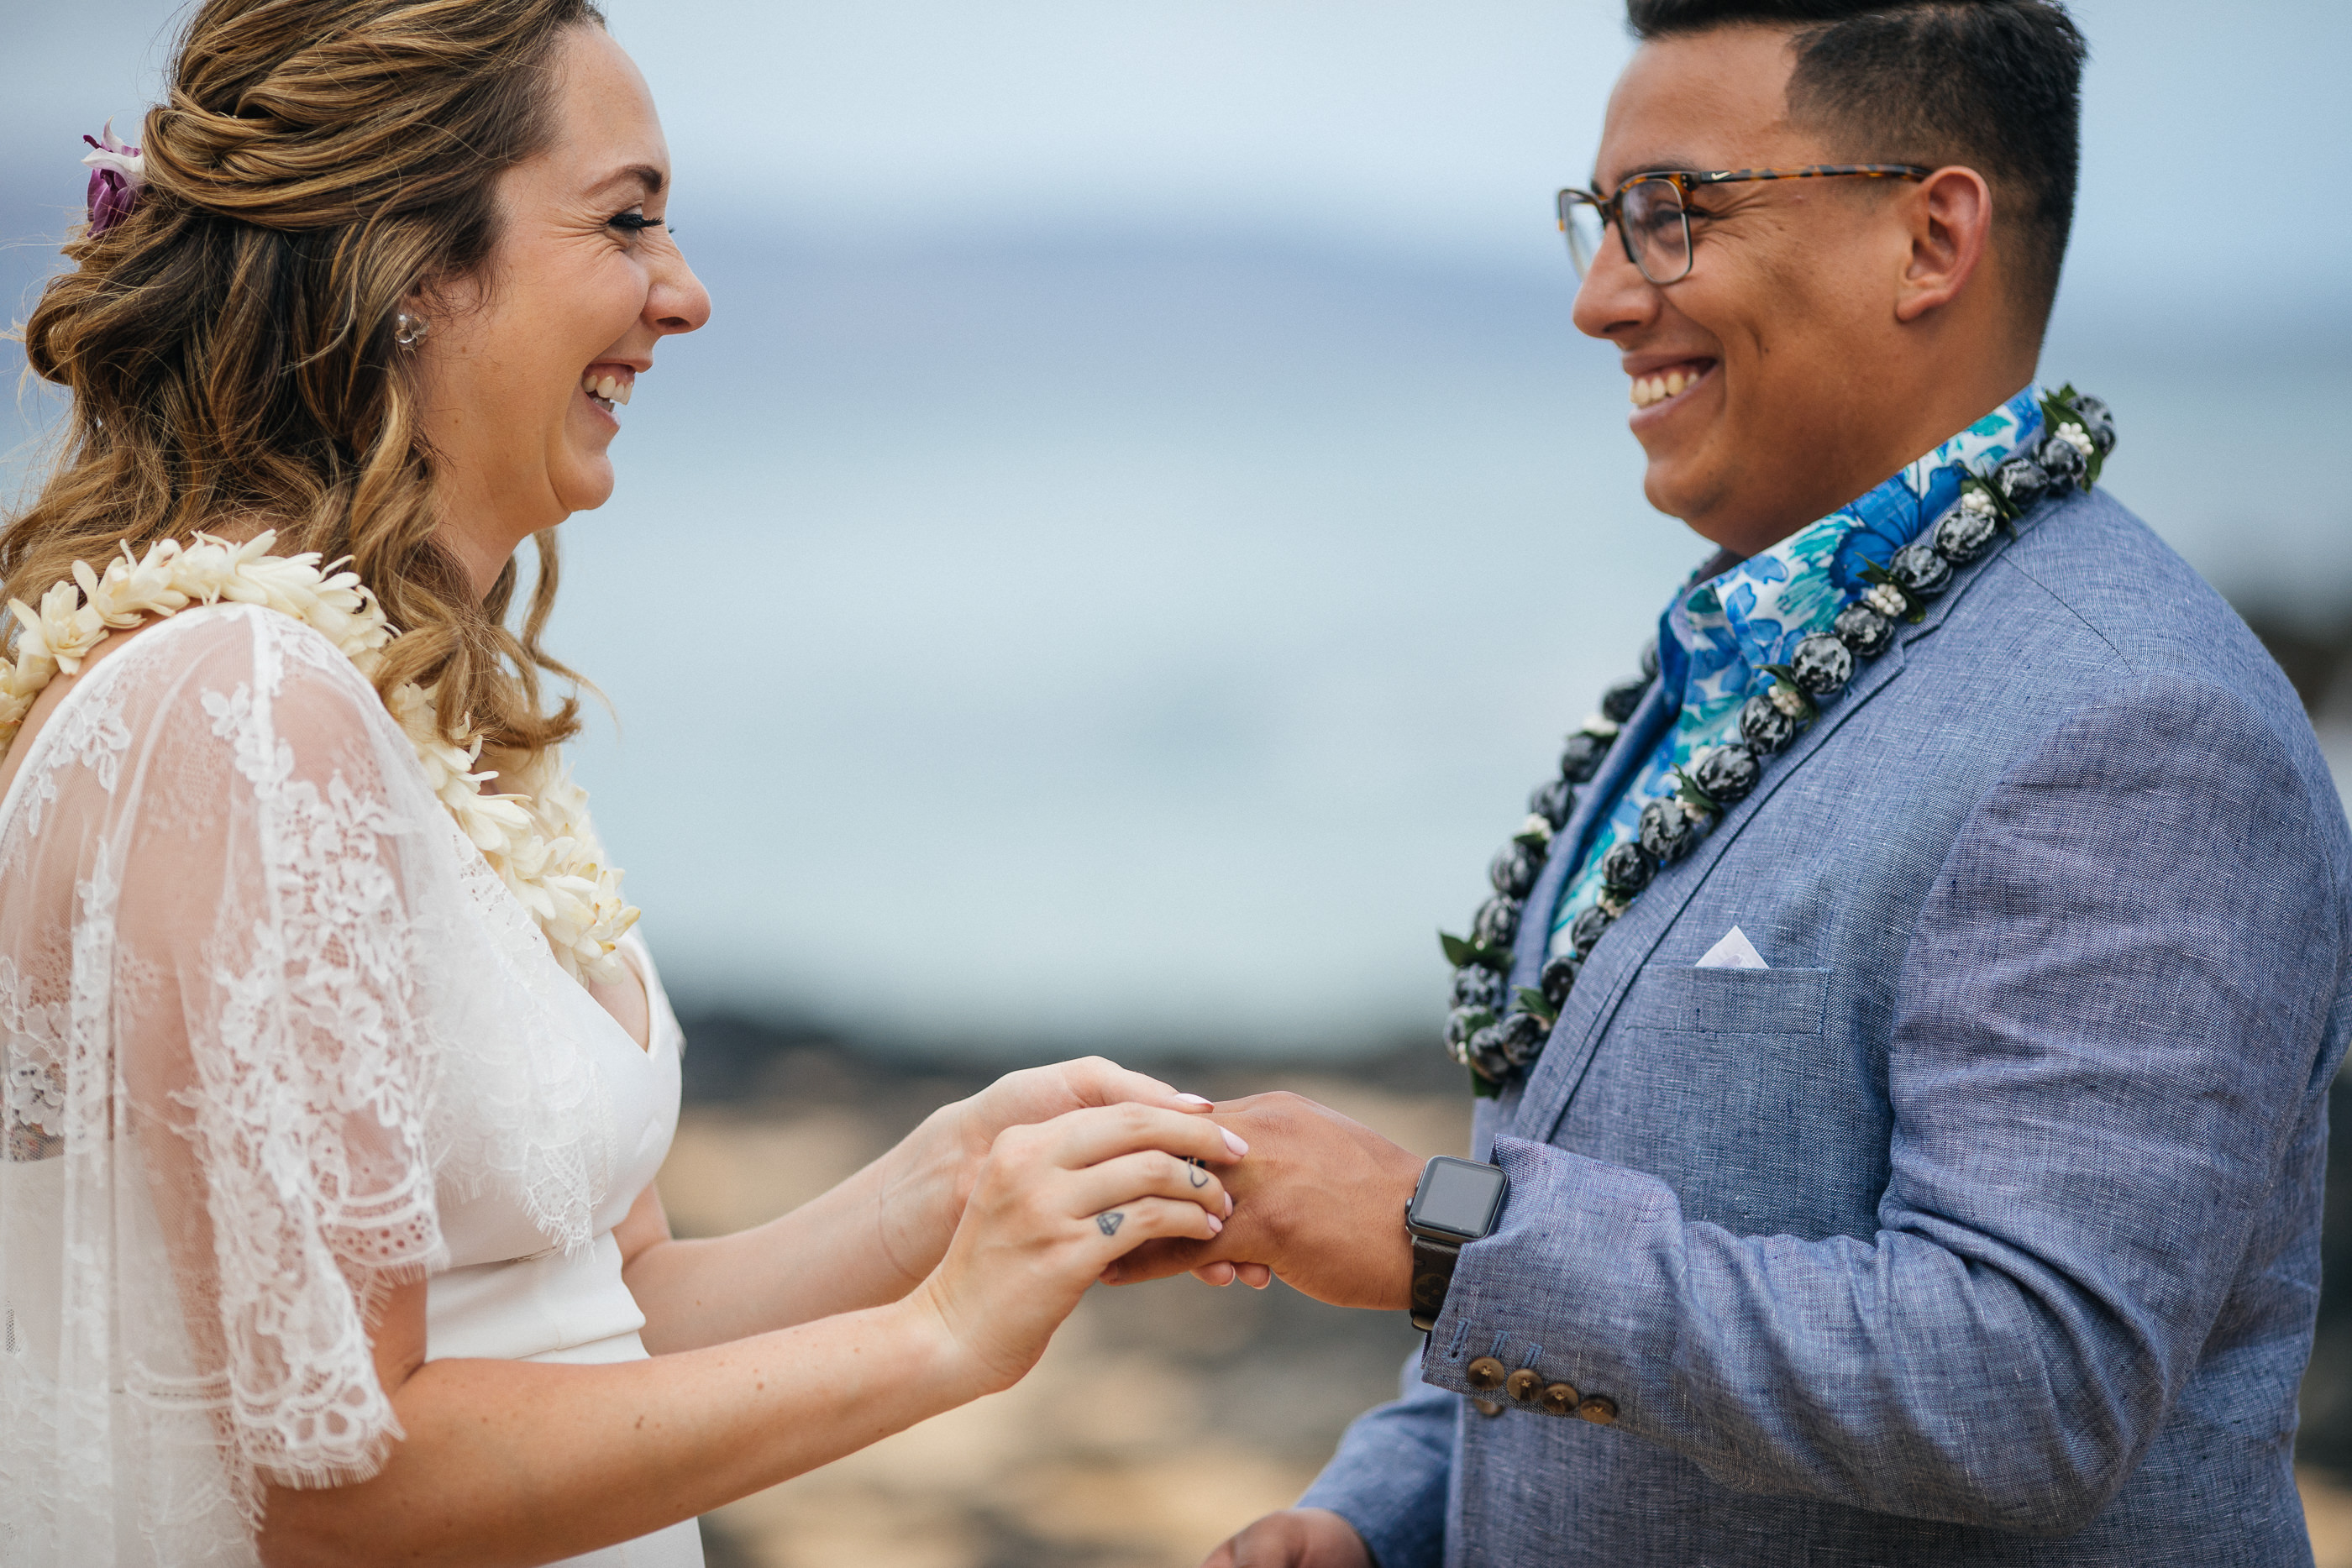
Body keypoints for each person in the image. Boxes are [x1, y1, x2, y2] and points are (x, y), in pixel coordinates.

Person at [0, 3, 1247, 1565]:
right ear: (410, 270)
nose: (688, 293)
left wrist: (951, 1180)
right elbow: (342, 1483)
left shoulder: (411, 708)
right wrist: (938, 1338)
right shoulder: (240, 707)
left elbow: (606, 1315)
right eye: (628, 219)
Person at [1109, 2, 2352, 1563]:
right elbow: (1622, 1247)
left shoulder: (2135, 724)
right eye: (1601, 219)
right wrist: (1377, 1520)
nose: (1600, 300)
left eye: (1670, 216)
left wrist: (1433, 1237)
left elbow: (2024, 1385)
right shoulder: (1753, 656)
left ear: (1932, 236)